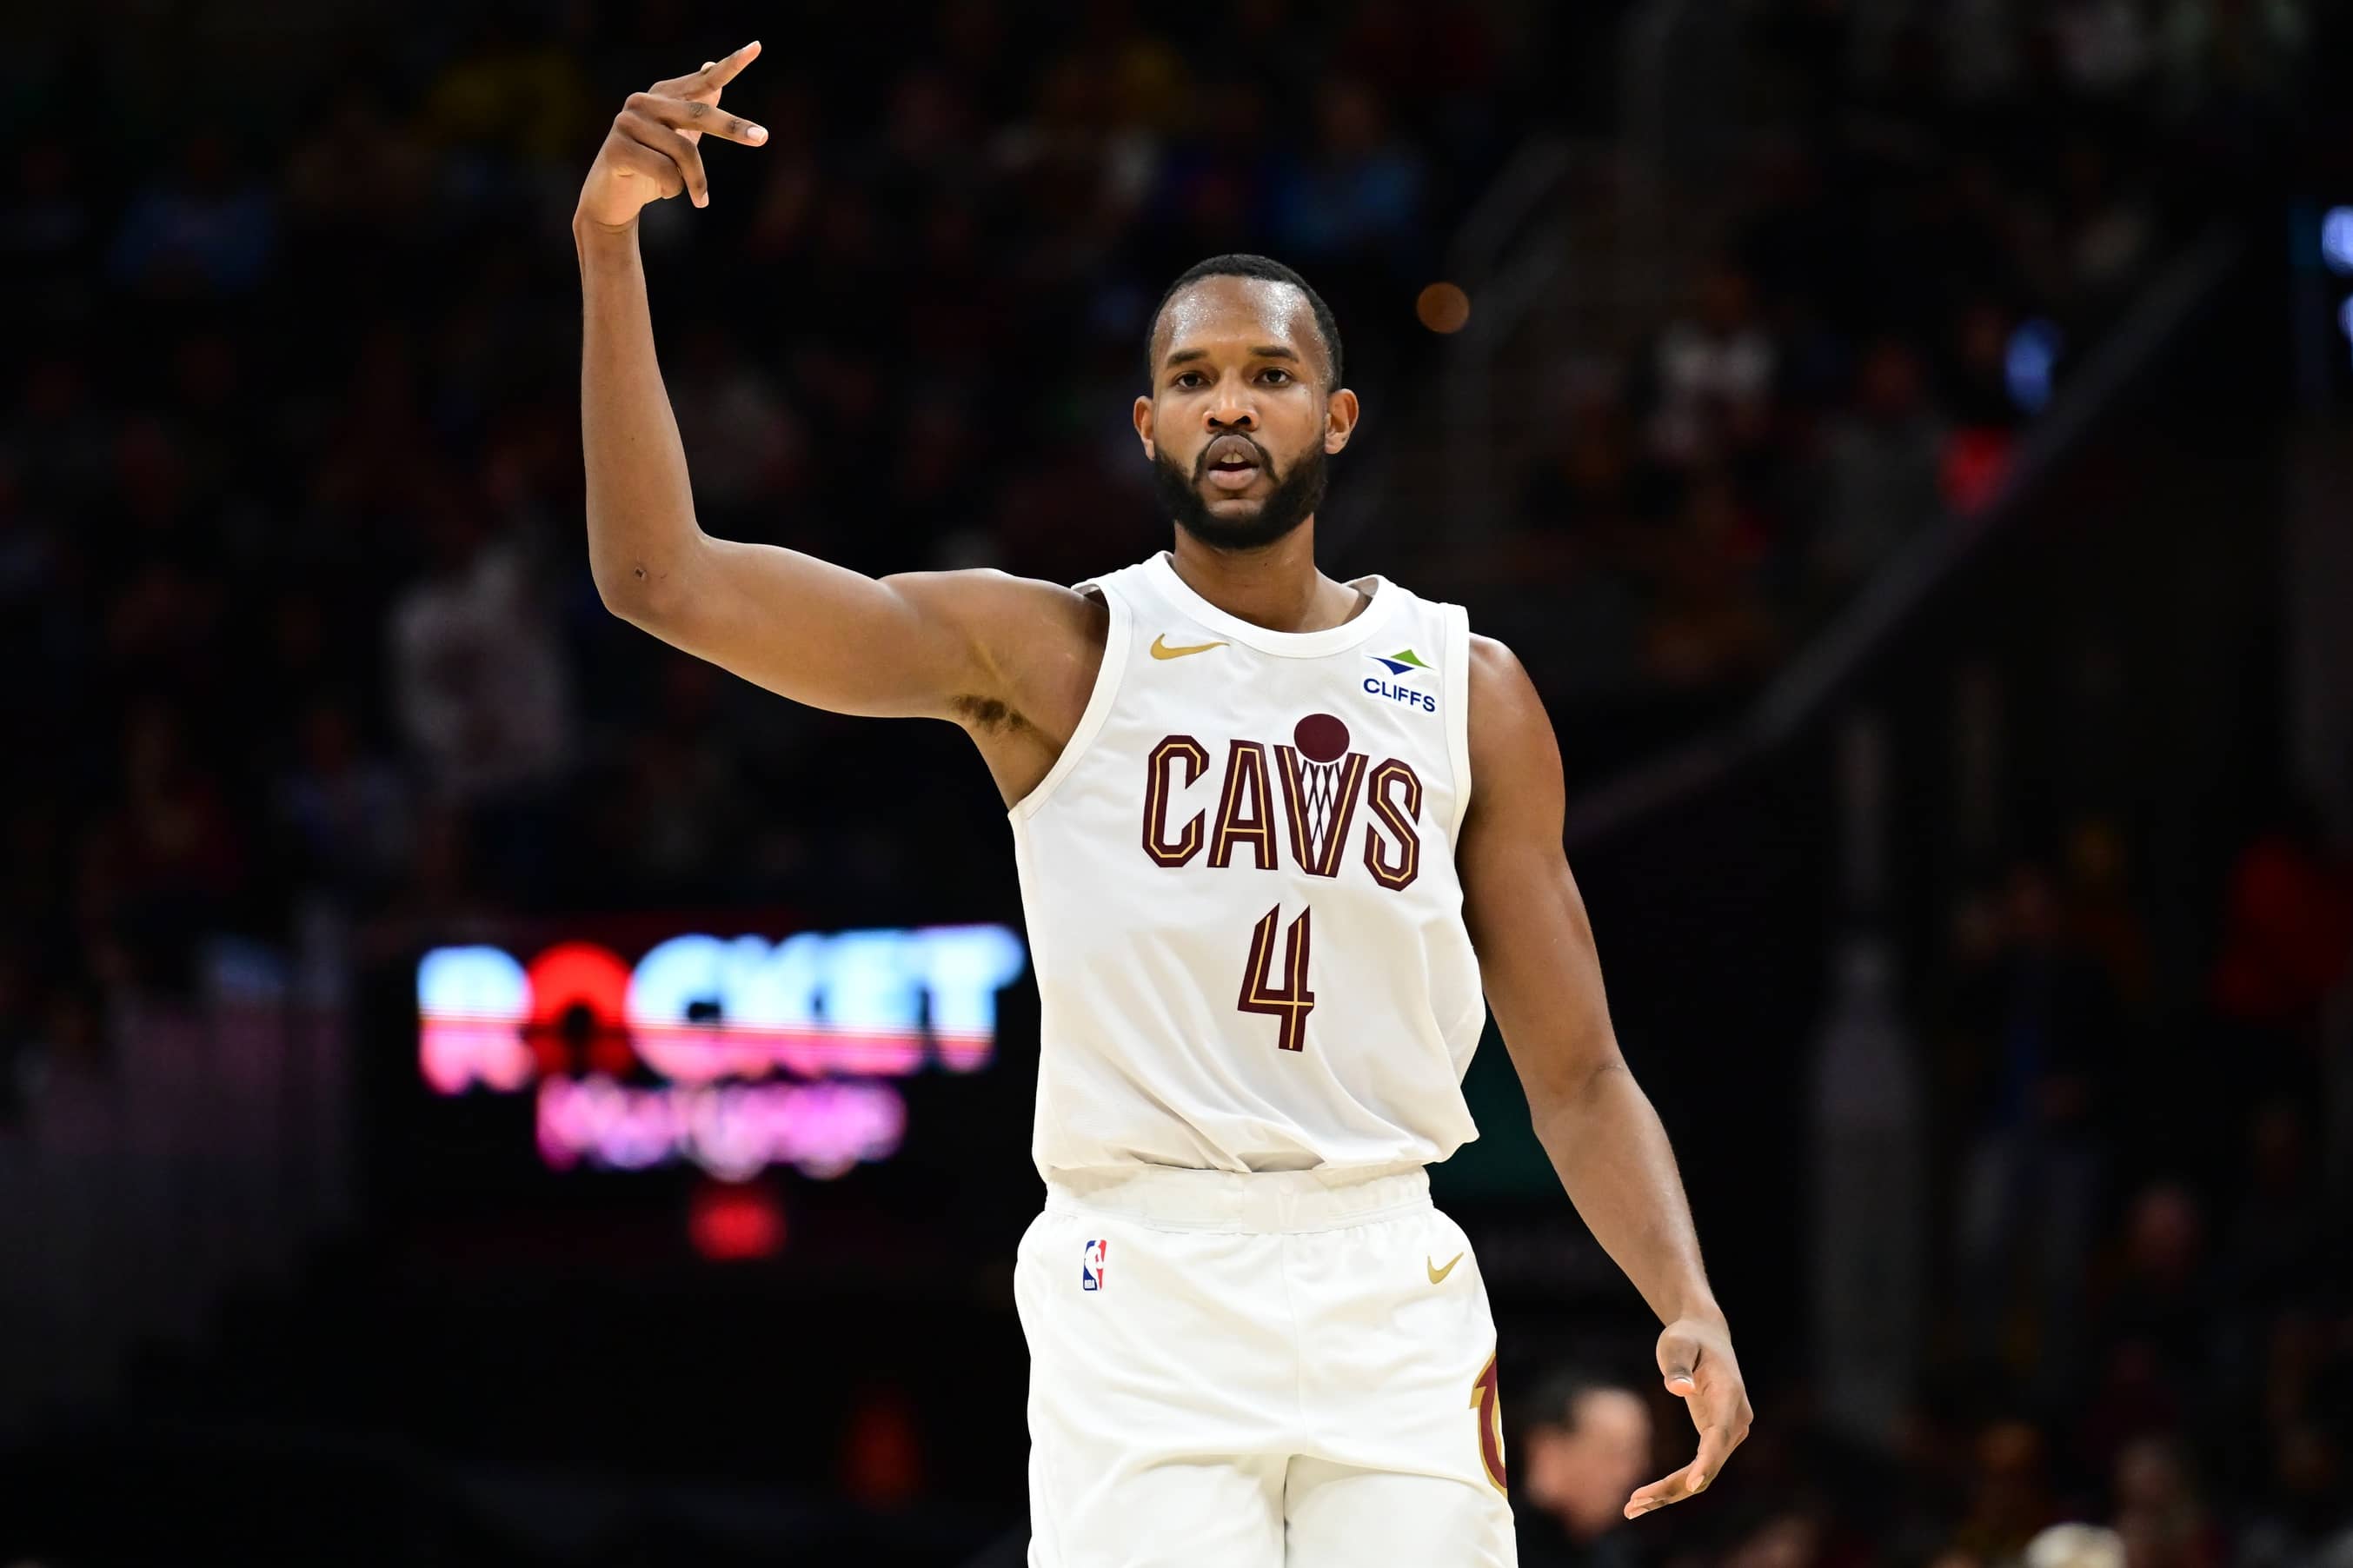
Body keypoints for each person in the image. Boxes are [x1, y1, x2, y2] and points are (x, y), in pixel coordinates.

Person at [573, 43, 1753, 1566]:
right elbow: (658, 578)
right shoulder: (1056, 654)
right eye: (1193, 379)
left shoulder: (1469, 686)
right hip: (1144, 1270)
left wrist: (1685, 1293)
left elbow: (1578, 1072)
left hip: (1385, 1267)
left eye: (1268, 374)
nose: (1232, 406)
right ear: (1146, 429)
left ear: (1334, 417)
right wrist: (609, 249)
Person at [1515, 1367, 1657, 1568]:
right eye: (1614, 1453)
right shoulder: (1491, 1545)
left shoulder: (1620, 1552)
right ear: (1548, 1452)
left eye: (1636, 1454)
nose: (1634, 1471)